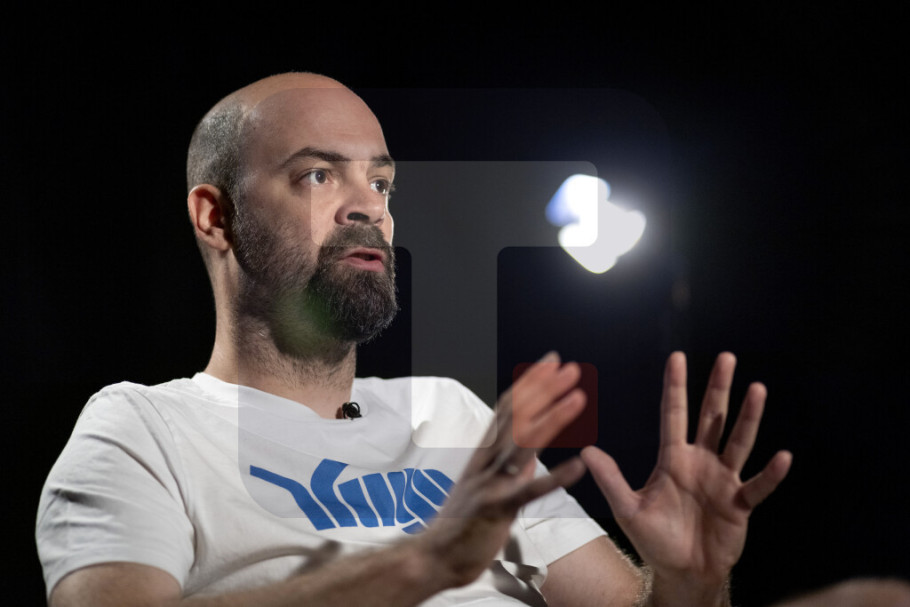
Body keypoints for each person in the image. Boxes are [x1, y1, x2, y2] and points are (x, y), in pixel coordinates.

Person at [37, 73, 794, 606]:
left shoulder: (449, 411)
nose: (368, 207)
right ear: (216, 217)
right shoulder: (141, 427)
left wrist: (689, 583)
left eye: (381, 182)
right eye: (318, 176)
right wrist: (423, 563)